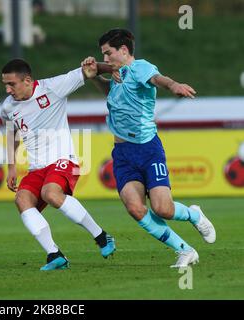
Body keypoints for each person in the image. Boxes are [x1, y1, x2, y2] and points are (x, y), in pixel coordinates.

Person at [82, 28, 216, 268]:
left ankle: (194, 215)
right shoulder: (117, 74)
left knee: (163, 208)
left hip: (147, 149)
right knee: (135, 208)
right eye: (103, 54)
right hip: (122, 153)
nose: (105, 59)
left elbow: (158, 79)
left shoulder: (140, 67)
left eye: (108, 53)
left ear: (124, 50)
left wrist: (173, 85)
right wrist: (95, 77)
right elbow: (110, 93)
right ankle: (185, 250)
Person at [1, 58, 116, 271]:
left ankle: (101, 236)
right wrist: (11, 166)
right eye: (5, 85)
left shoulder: (52, 87)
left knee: (51, 194)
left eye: (12, 84)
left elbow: (88, 70)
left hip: (64, 160)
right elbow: (11, 134)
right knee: (22, 200)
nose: (8, 90)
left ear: (27, 80)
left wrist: (117, 68)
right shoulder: (8, 107)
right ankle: (54, 254)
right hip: (37, 168)